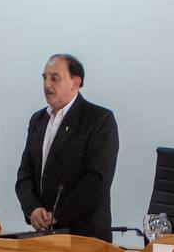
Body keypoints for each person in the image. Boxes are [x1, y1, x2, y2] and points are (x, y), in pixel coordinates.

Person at [15, 53, 118, 241]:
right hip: (44, 236)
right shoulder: (38, 120)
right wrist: (33, 209)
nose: (47, 84)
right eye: (44, 78)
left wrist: (57, 214)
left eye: (54, 78)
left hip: (85, 237)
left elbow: (97, 181)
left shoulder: (99, 120)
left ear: (75, 82)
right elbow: (25, 176)